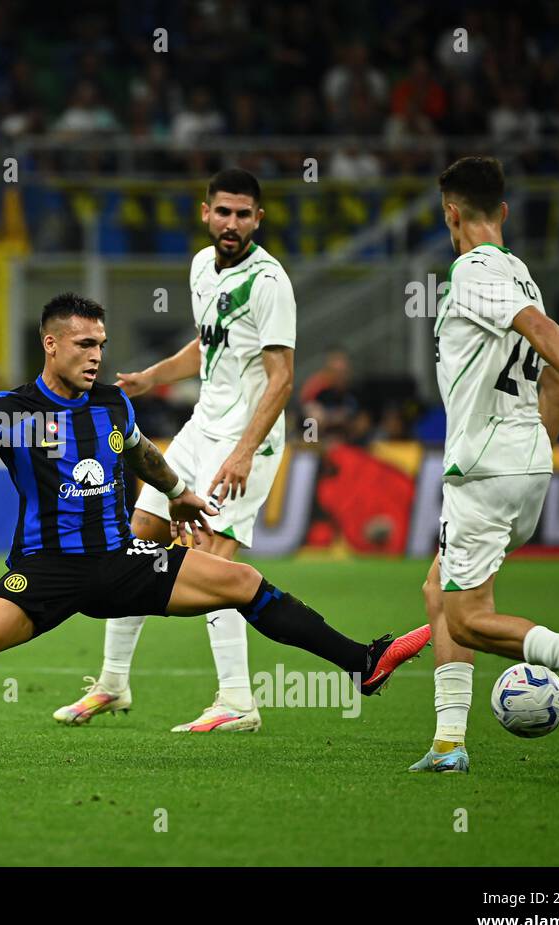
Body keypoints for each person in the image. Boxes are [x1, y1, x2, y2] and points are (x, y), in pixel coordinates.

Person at [0, 293, 431, 754]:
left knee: (242, 584)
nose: (96, 356)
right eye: (84, 344)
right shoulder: (15, 412)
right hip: (44, 572)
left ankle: (361, 663)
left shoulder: (113, 403)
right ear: (51, 345)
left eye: (102, 345)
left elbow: (138, 451)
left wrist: (177, 492)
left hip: (120, 561)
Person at [53, 169, 354, 734]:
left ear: (258, 219)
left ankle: (238, 699)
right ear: (205, 213)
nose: (232, 223)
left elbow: (282, 377)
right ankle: (113, 683)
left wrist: (242, 452)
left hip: (248, 439)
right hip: (200, 427)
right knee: (138, 540)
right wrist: (152, 378)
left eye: (243, 214)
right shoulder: (200, 267)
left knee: (213, 562)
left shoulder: (269, 283)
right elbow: (207, 345)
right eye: (223, 212)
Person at [411, 156, 559, 774]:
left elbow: (543, 333)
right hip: (523, 463)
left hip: (483, 467)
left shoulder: (471, 272)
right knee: (440, 590)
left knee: (465, 619)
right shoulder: (521, 271)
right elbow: (554, 385)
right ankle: (447, 744)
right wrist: (534, 451)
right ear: (507, 213)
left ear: (451, 214)